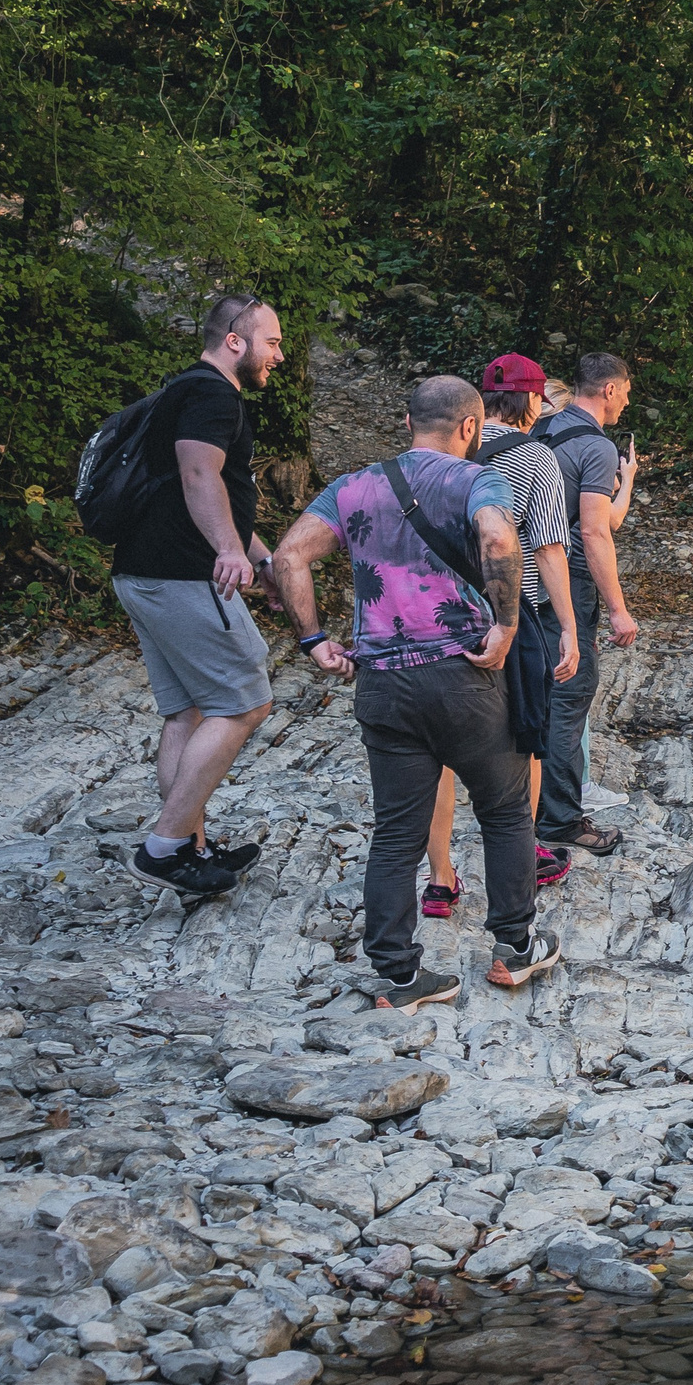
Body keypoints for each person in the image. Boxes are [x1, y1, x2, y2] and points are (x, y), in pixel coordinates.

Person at [273, 376, 562, 1012]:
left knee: (397, 833)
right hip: (463, 678)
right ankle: (516, 949)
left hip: (383, 686)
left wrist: (316, 642)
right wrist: (508, 623)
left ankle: (400, 977)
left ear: (408, 422)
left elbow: (289, 557)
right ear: (470, 427)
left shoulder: (352, 488)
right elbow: (496, 538)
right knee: (506, 810)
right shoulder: (476, 480)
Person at [110, 292, 286, 898]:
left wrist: (260, 556)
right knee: (245, 702)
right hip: (186, 576)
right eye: (272, 342)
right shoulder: (213, 394)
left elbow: (219, 492)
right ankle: (163, 846)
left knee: (187, 712)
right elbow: (198, 474)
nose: (278, 356)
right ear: (234, 341)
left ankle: (191, 848)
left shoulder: (182, 389)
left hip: (143, 574)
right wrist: (229, 554)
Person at [421, 355, 584, 918]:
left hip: (440, 620)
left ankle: (440, 882)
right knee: (525, 739)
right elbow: (548, 550)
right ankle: (527, 857)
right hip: (515, 617)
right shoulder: (538, 459)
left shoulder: (442, 453)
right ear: (534, 401)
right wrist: (567, 626)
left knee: (439, 754)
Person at [535, 352, 639, 857]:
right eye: (626, 391)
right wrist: (618, 609)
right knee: (571, 691)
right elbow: (595, 530)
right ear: (610, 390)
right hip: (568, 579)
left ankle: (524, 808)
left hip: (524, 574)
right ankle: (559, 818)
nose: (626, 401)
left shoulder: (539, 430)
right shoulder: (596, 446)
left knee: (534, 690)